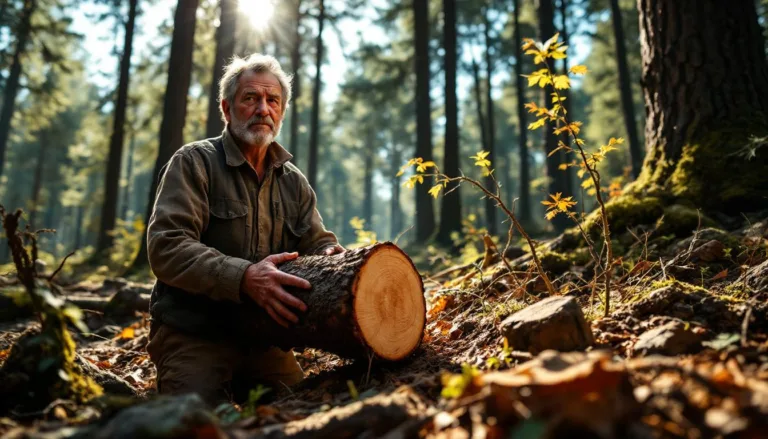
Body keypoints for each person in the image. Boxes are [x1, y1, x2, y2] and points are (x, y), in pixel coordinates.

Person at [145, 53, 344, 406]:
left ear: (282, 112)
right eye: (250, 98)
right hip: (194, 333)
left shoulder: (294, 182)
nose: (263, 109)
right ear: (227, 108)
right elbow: (167, 246)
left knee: (301, 410)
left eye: (273, 100)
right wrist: (244, 277)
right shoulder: (194, 162)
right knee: (191, 420)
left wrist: (332, 257)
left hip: (264, 339)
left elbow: (317, 242)